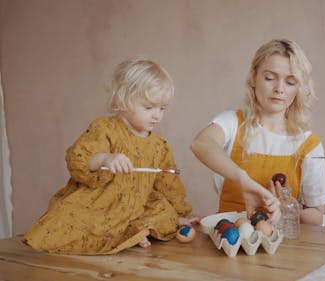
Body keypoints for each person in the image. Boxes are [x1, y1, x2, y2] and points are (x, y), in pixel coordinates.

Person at [23, 59, 198, 255]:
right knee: (68, 218)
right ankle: (129, 234)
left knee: (164, 214)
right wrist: (106, 159)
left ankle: (134, 232)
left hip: (138, 205)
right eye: (149, 108)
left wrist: (179, 213)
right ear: (121, 101)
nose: (157, 115)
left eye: (162, 108)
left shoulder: (159, 145)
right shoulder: (105, 128)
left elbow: (168, 182)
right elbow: (78, 158)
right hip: (104, 203)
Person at [191, 39, 325, 225]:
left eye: (290, 82)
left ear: (298, 88)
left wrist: (285, 208)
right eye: (269, 78)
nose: (279, 89)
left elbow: (316, 217)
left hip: (286, 247)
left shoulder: (308, 145)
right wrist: (244, 181)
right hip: (230, 240)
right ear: (253, 78)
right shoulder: (232, 123)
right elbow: (201, 143)